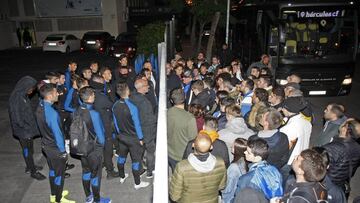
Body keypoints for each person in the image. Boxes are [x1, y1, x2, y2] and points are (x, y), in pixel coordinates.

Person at [35, 84, 75, 203]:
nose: (58, 94)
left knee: (52, 171)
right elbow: (58, 134)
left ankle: (54, 194)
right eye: (56, 92)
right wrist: (63, 152)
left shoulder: (40, 106)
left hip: (46, 145)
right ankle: (58, 199)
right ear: (50, 95)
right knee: (59, 174)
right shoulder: (52, 113)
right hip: (55, 148)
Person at [112, 82, 149, 189]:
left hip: (122, 137)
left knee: (122, 156)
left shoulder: (115, 105)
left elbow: (115, 122)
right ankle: (137, 183)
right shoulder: (132, 107)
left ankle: (122, 176)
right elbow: (137, 124)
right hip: (133, 138)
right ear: (127, 91)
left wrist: (119, 133)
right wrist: (141, 138)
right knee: (136, 160)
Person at [170, 133, 227, 203]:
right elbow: (221, 186)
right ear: (211, 147)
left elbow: (174, 196)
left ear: (193, 145)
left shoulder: (182, 167)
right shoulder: (220, 163)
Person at [8, 76, 46, 180]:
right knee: (27, 150)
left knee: (30, 150)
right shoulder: (17, 98)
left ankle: (30, 166)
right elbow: (16, 116)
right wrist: (26, 127)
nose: (32, 90)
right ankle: (33, 171)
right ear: (25, 86)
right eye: (31, 88)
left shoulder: (22, 95)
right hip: (24, 131)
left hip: (27, 130)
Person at [78, 87, 111, 203]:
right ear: (91, 96)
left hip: (82, 148)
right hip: (93, 149)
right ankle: (97, 199)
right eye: (93, 94)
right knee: (96, 174)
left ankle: (88, 196)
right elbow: (100, 136)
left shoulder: (77, 110)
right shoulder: (93, 113)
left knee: (86, 171)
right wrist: (102, 147)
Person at [89, 75, 118, 179]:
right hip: (105, 126)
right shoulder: (101, 97)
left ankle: (103, 164)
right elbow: (112, 105)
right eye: (102, 82)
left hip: (95, 127)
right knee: (108, 148)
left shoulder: (90, 94)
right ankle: (110, 171)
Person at [323, 118, 360, 197]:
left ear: (345, 129)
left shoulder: (333, 148)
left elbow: (317, 168)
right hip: (340, 184)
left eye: (344, 123)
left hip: (326, 185)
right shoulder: (357, 147)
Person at [130, 78, 157, 178]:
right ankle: (150, 170)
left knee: (139, 151)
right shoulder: (144, 102)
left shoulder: (131, 97)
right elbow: (150, 119)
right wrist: (157, 117)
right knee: (150, 150)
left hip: (136, 129)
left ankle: (140, 168)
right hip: (147, 130)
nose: (149, 86)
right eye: (146, 85)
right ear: (141, 88)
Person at [280, 96, 311, 180]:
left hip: (289, 162)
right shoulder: (307, 122)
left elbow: (283, 149)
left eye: (283, 107)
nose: (282, 109)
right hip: (302, 158)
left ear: (288, 109)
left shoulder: (287, 129)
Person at [167, 88, 198, 171]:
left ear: (172, 100)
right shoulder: (190, 118)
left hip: (169, 152)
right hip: (182, 155)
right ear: (184, 99)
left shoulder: (166, 113)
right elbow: (193, 139)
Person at [222, 138, 248, 203]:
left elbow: (227, 188)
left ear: (238, 150)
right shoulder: (245, 161)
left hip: (230, 198)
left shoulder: (234, 167)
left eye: (233, 146)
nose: (231, 146)